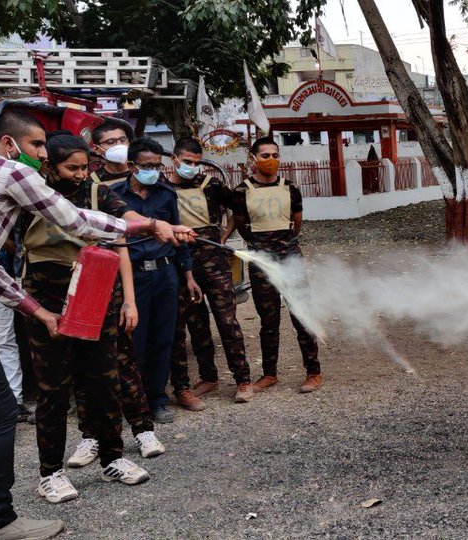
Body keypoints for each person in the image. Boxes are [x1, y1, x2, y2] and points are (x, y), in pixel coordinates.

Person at [0, 108, 192, 539]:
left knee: (98, 378)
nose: (43, 152)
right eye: (37, 145)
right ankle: (0, 519)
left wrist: (36, 311)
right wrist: (149, 224)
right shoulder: (9, 171)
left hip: (66, 299)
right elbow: (71, 221)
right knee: (0, 412)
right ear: (10, 144)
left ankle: (110, 455)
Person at [18, 132, 168, 503]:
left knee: (104, 380)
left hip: (93, 291)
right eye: (72, 168)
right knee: (53, 389)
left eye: (86, 166)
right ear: (49, 166)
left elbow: (126, 215)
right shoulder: (28, 196)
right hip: (46, 297)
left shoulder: (98, 192)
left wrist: (155, 225)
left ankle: (112, 459)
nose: (81, 174)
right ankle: (50, 474)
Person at [111, 138, 200, 424]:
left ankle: (158, 399)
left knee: (164, 338)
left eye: (156, 166)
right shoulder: (114, 196)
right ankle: (132, 400)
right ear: (131, 165)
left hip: (165, 274)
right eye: (146, 166)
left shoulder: (166, 194)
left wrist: (187, 274)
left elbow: (177, 238)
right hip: (132, 275)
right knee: (133, 339)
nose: (152, 171)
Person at [166, 137, 254, 409]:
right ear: (174, 159)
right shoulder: (161, 190)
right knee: (195, 323)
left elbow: (239, 208)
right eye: (187, 162)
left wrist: (225, 235)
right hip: (180, 262)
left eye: (196, 162)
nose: (192, 167)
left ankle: (243, 379)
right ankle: (208, 377)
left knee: (227, 321)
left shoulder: (212, 185)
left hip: (213, 260)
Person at [229, 137, 322, 393]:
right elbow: (240, 223)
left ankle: (313, 372)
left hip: (291, 259)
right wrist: (261, 246)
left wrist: (284, 244)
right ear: (253, 158)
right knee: (268, 321)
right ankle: (270, 374)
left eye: (275, 155)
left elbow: (297, 221)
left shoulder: (290, 187)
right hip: (261, 263)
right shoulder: (241, 191)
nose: (271, 160)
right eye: (265, 155)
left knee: (301, 316)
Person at [89, 120, 133, 184]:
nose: (119, 145)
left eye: (123, 140)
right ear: (97, 149)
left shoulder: (143, 171)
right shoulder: (93, 181)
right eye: (110, 142)